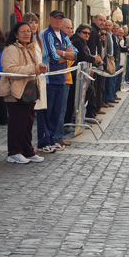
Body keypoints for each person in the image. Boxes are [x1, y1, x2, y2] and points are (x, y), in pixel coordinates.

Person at [0, 21, 47, 164]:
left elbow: (32, 67)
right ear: (15, 34)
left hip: (29, 91)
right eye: (23, 31)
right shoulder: (11, 49)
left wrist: (39, 67)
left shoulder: (30, 48)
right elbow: (10, 70)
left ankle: (27, 151)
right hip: (16, 92)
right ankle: (14, 152)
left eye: (28, 31)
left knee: (28, 123)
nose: (27, 34)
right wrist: (33, 68)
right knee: (17, 123)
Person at [37, 10, 77, 153]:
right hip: (49, 79)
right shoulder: (46, 35)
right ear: (50, 19)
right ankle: (43, 141)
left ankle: (52, 139)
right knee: (46, 113)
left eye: (61, 19)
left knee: (56, 112)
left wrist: (63, 53)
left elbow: (75, 54)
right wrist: (67, 54)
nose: (58, 21)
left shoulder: (64, 36)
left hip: (60, 79)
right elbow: (52, 58)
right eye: (56, 19)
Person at [55, 18, 74, 147]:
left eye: (71, 28)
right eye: (67, 28)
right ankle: (56, 137)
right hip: (58, 79)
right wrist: (65, 56)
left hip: (66, 79)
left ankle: (58, 135)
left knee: (62, 109)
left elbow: (71, 59)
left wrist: (66, 56)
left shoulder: (69, 42)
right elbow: (58, 60)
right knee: (58, 110)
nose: (70, 30)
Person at [87, 13, 106, 119]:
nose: (102, 22)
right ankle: (91, 113)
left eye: (103, 20)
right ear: (94, 20)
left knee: (97, 88)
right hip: (92, 65)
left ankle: (94, 111)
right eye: (100, 20)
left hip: (95, 64)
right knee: (93, 89)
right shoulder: (93, 32)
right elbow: (92, 48)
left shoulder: (96, 31)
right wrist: (94, 63)